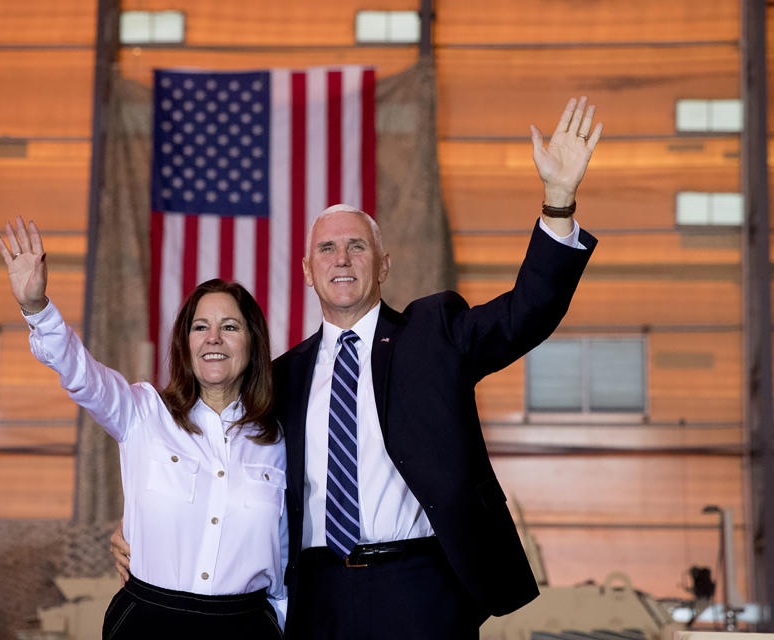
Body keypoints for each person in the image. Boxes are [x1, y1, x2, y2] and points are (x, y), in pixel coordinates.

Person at [113, 95, 602, 638]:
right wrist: (143, 525)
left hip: (421, 586)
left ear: (384, 264)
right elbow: (218, 460)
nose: (341, 259)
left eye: (356, 246)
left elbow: (525, 314)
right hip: (317, 594)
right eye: (326, 248)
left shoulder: (434, 333)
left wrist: (558, 201)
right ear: (306, 270)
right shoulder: (281, 377)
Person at [0, 218, 287, 639]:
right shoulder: (142, 411)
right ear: (185, 344)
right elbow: (82, 373)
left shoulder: (278, 438)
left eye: (230, 327)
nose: (213, 339)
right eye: (200, 327)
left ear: (252, 342)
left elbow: (285, 549)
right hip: (150, 621)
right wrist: (37, 308)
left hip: (245, 626)